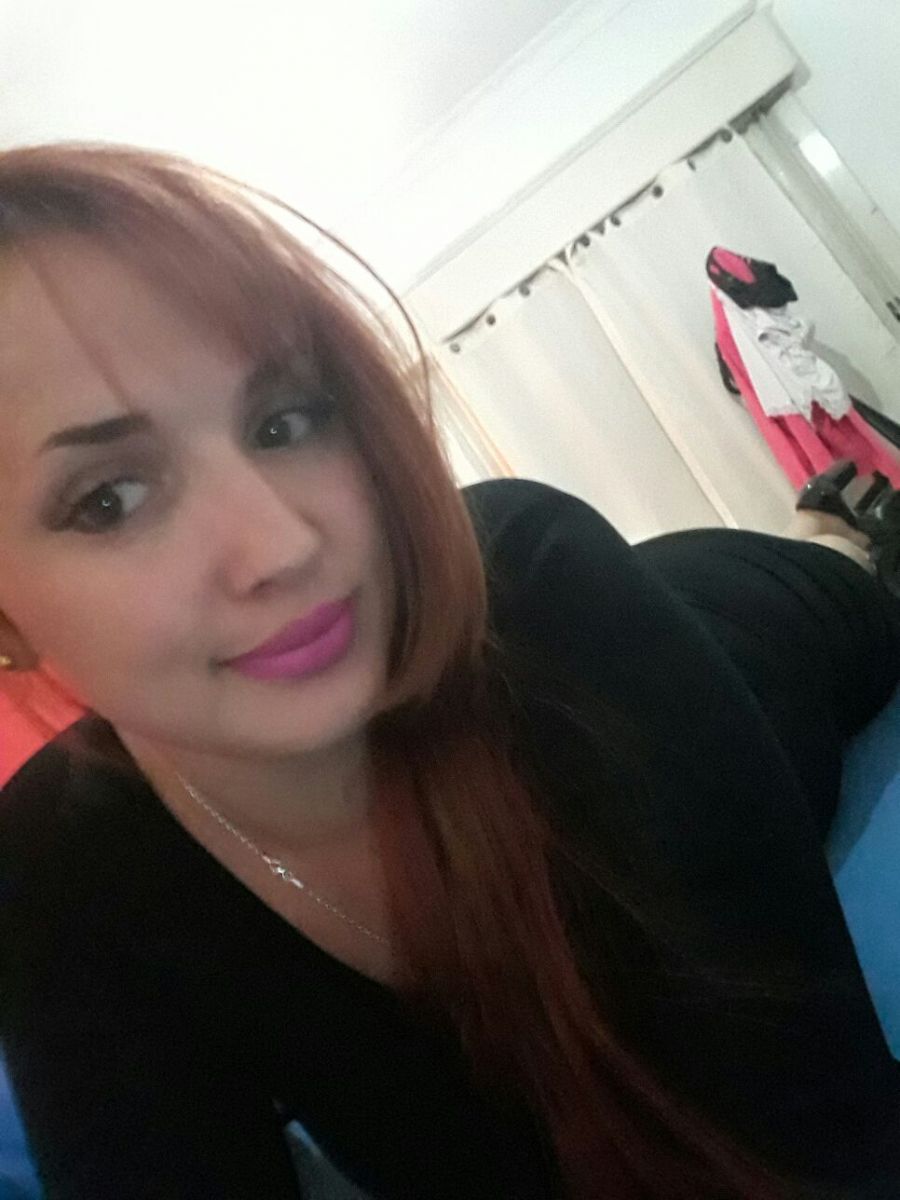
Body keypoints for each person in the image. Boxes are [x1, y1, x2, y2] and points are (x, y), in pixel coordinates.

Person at [0, 143, 897, 1200]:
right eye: (108, 499)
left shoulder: (550, 587)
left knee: (832, 572)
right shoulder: (55, 867)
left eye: (284, 422)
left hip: (742, 616)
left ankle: (835, 534)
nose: (284, 544)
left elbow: (831, 1134)